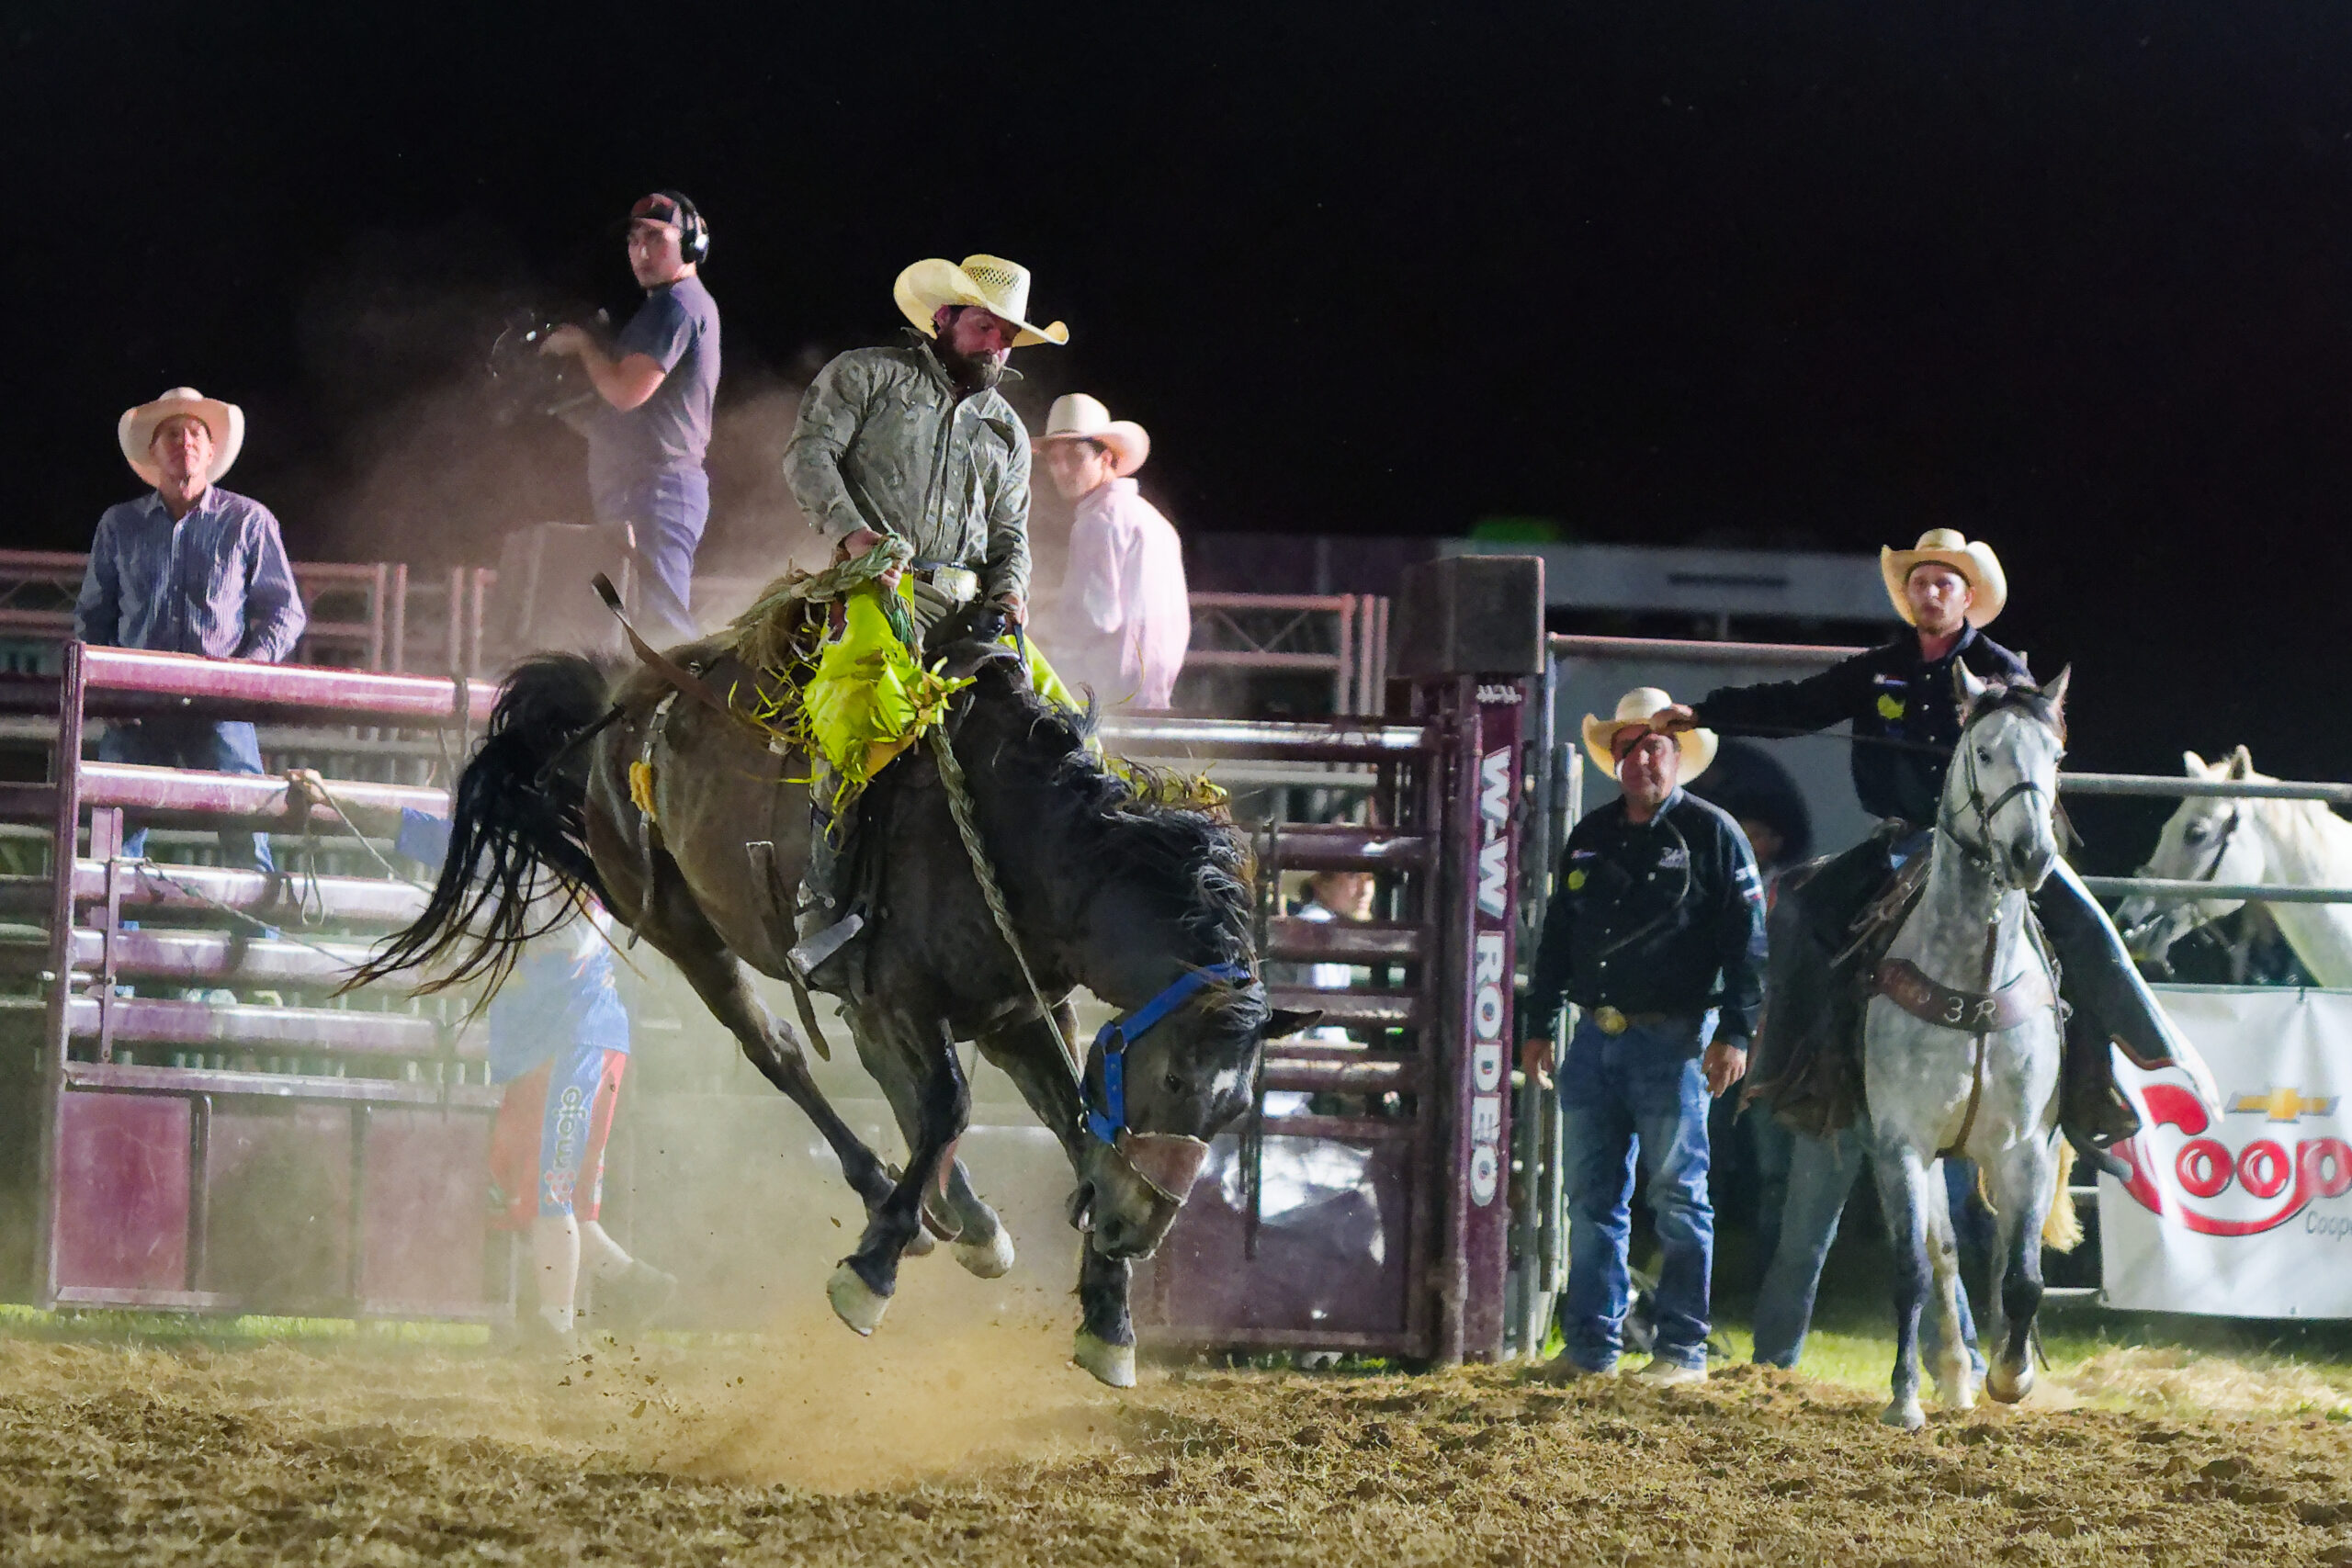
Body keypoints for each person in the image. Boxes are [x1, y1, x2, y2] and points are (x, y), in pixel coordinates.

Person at [1652, 528, 2197, 1366]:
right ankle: (1798, 1062)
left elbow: (2035, 741)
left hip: (1998, 849)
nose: (1933, 592)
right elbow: (1797, 704)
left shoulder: (2009, 669)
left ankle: (2096, 1085)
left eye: (1946, 581)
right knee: (1794, 906)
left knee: (2078, 927)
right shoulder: (1875, 668)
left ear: (1969, 595)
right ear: (1910, 594)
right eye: (1922, 581)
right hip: (1903, 841)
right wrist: (1710, 710)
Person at [781, 254, 1068, 961]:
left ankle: (1042, 905)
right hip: (878, 586)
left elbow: (1010, 536)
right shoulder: (866, 375)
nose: (997, 344)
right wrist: (855, 534)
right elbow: (808, 455)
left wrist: (1010, 590)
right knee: (863, 708)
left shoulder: (1005, 430)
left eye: (1007, 335)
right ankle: (825, 892)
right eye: (984, 327)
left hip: (973, 605)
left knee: (1058, 724)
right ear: (943, 319)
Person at [1521, 689, 1766, 1384]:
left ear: (1678, 756)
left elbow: (1747, 944)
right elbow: (1558, 935)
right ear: (1616, 758)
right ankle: (1594, 1347)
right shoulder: (1591, 834)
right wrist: (1538, 1022)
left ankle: (1680, 1348)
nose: (1640, 756)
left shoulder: (1713, 834)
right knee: (1592, 1196)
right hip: (1596, 1037)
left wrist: (1736, 1031)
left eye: (1654, 743)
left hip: (1676, 1036)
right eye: (1628, 745)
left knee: (1677, 1194)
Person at [392, 810, 675, 1346]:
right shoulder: (546, 858)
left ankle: (556, 1331)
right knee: (540, 1193)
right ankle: (635, 1285)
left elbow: (520, 926)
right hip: (560, 1042)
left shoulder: (566, 872)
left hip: (576, 1040)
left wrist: (448, 941)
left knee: (551, 1193)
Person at [74, 388, 306, 869]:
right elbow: (93, 617)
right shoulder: (119, 525)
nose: (186, 442)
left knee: (246, 833)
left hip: (216, 704)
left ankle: (255, 942)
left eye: (196, 432)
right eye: (173, 434)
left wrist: (242, 677)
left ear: (211, 449)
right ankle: (110, 943)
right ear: (153, 452)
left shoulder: (248, 521)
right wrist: (106, 693)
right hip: (137, 702)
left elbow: (286, 611)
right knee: (112, 845)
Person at [541, 191, 721, 644]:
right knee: (635, 634)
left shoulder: (673, 306)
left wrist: (583, 346)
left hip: (655, 493)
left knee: (663, 637)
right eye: (634, 239)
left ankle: (696, 714)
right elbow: (635, 413)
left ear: (693, 243)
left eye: (656, 238)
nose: (641, 251)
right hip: (647, 491)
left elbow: (625, 393)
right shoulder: (679, 304)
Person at [1037, 393, 1191, 710]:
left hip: (1105, 701)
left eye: (1075, 457)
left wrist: (1036, 631)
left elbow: (1094, 616)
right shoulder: (1150, 518)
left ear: (1106, 458)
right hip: (1150, 697)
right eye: (1054, 459)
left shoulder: (1099, 520)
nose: (1062, 469)